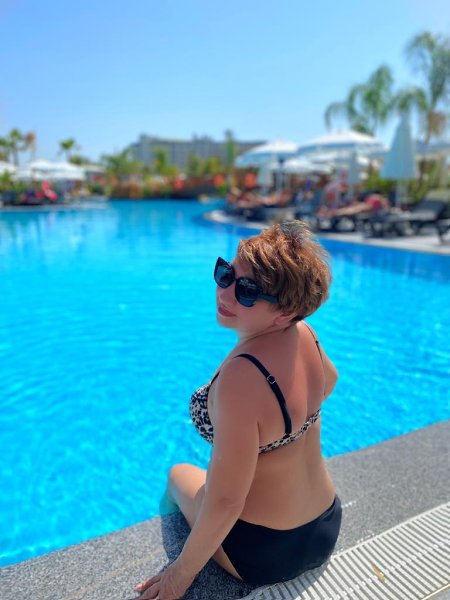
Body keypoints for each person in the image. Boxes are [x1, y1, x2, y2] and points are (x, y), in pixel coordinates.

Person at [135, 221, 342, 599]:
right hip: (326, 522)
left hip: (267, 552)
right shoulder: (305, 334)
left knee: (177, 474)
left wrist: (179, 575)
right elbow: (329, 382)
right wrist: (279, 436)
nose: (225, 292)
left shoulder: (241, 378)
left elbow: (227, 501)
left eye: (246, 291)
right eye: (226, 274)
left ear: (285, 312)